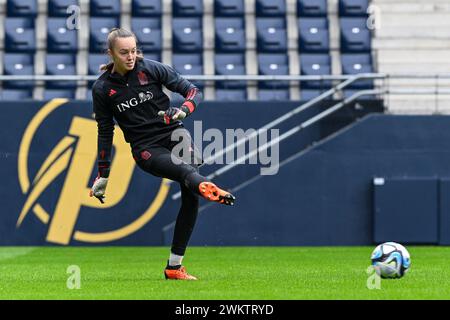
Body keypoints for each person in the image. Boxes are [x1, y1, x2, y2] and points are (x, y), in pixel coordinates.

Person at [89, 28, 235, 280]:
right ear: (111, 53)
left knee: (191, 194)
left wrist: (183, 111)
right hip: (146, 148)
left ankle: (174, 267)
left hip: (174, 134)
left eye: (133, 50)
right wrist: (103, 174)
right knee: (185, 172)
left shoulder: (151, 69)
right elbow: (105, 131)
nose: (131, 56)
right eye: (124, 52)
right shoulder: (102, 89)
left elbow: (194, 92)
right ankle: (207, 187)